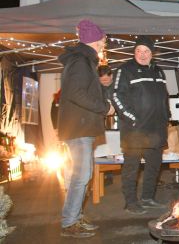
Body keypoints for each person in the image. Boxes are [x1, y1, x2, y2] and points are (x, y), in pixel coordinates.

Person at [58, 19, 114, 238]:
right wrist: (104, 108)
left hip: (80, 127)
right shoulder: (81, 62)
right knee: (81, 176)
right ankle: (69, 222)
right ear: (95, 40)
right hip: (78, 128)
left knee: (80, 176)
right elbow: (76, 93)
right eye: (102, 39)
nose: (104, 43)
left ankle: (73, 216)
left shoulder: (84, 60)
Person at [112, 36, 170, 215]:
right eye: (139, 51)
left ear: (152, 53)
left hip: (157, 129)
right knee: (131, 168)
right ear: (134, 52)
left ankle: (147, 198)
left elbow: (164, 96)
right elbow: (116, 96)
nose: (142, 55)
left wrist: (166, 116)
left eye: (146, 51)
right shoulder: (125, 70)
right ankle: (130, 202)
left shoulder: (159, 71)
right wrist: (132, 118)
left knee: (154, 166)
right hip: (134, 130)